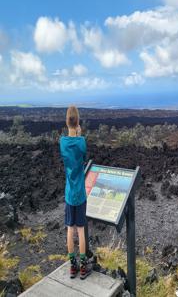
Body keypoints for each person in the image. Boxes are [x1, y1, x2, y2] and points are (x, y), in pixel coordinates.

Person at [59, 105, 92, 279]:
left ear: (66, 122)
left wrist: (73, 133)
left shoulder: (62, 142)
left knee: (69, 229)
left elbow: (68, 155)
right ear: (78, 122)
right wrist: (79, 134)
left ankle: (73, 266)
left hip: (69, 193)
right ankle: (84, 266)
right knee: (81, 230)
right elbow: (82, 155)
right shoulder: (82, 142)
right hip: (80, 193)